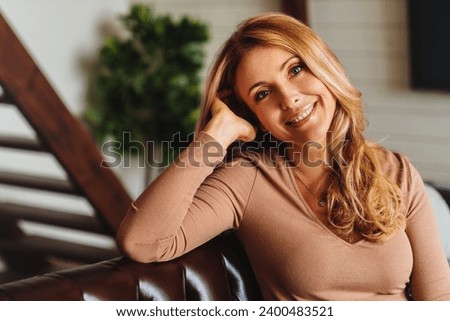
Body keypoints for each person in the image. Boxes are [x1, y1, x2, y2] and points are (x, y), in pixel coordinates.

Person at [116, 13, 450, 300]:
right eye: (263, 93)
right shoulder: (247, 179)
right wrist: (215, 137)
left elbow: (438, 297)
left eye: (295, 70)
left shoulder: (396, 170)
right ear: (251, 114)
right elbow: (143, 242)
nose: (288, 99)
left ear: (323, 66)